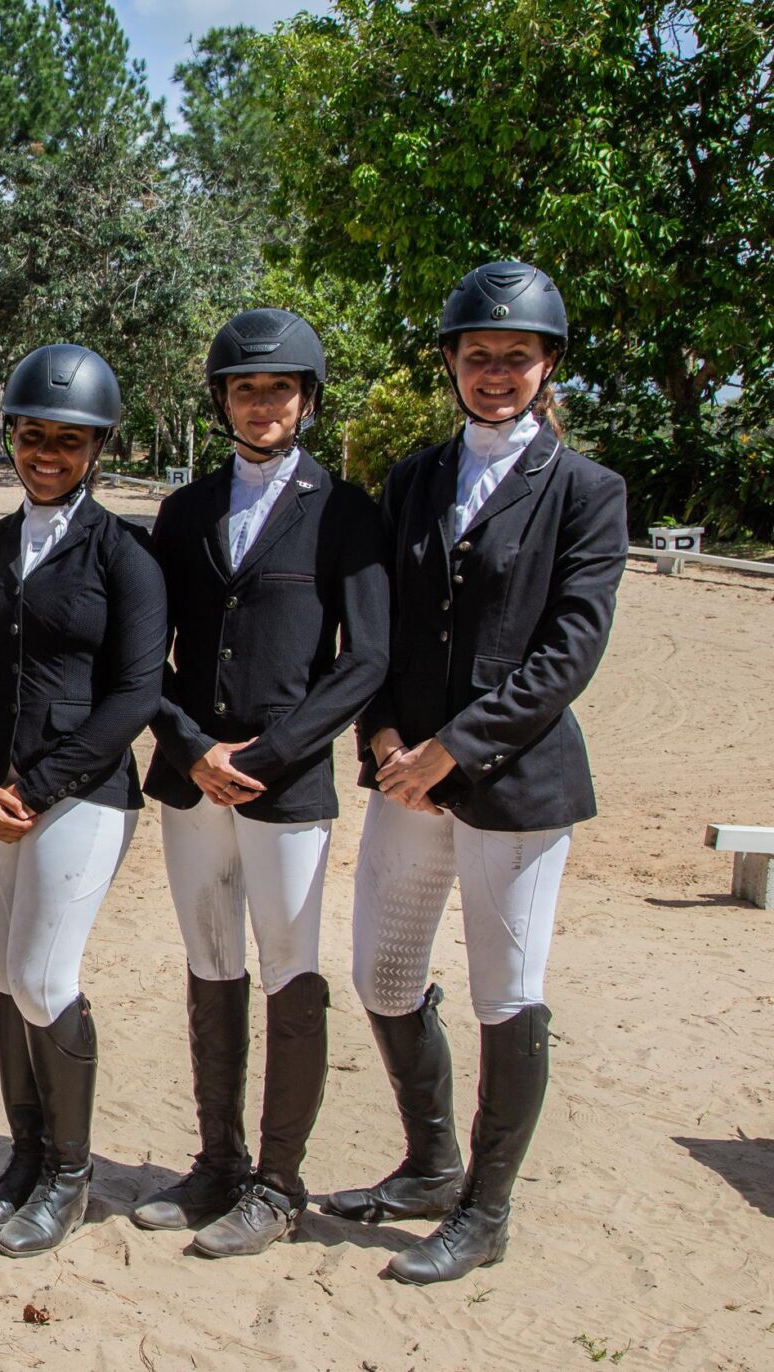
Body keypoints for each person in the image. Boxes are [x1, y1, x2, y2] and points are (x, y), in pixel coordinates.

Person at [320, 260, 627, 1285]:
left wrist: (450, 747)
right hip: (404, 772)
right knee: (381, 973)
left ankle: (484, 1211)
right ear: (450, 361)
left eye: (516, 357)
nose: (495, 372)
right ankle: (429, 1162)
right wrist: (380, 739)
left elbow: (568, 650)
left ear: (547, 366)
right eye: (478, 355)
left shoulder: (587, 491)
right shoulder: (413, 478)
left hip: (514, 782)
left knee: (506, 992)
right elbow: (375, 626)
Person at [131, 309, 388, 1256]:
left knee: (290, 970)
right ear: (223, 401)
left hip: (286, 784)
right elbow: (145, 653)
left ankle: (279, 1185)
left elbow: (365, 661)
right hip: (194, 776)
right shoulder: (184, 511)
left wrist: (270, 755)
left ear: (306, 400)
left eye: (279, 388)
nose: (263, 403)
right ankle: (217, 1162)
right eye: (246, 388)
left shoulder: (346, 510)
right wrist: (192, 746)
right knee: (210, 961)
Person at [0, 344, 167, 1257]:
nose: (47, 454)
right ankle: (27, 1156)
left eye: (68, 441)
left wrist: (34, 787)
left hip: (82, 796)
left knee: (42, 977)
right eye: (33, 436)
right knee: (6, 977)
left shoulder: (128, 556)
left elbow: (136, 694)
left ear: (97, 447)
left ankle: (72, 1177)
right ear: (12, 437)